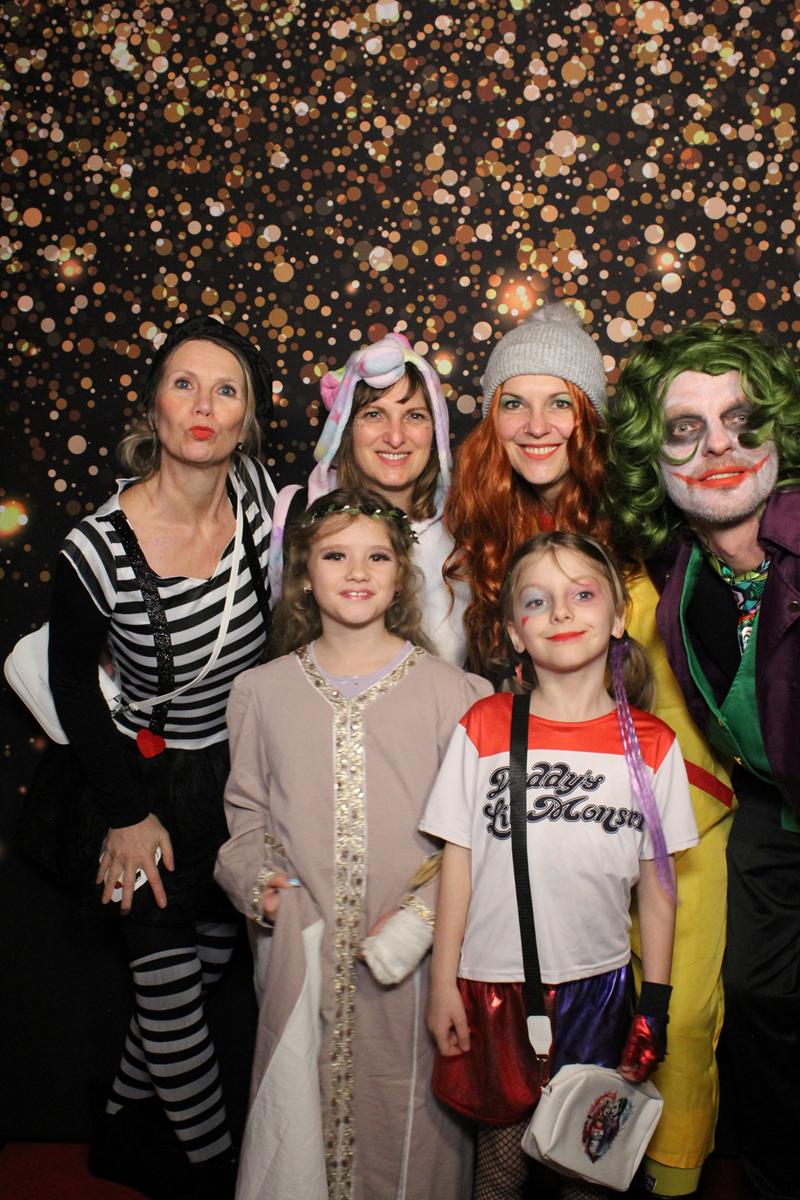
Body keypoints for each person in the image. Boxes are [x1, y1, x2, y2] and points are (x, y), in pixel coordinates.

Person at [445, 303, 733, 1198]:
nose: (537, 425)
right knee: (533, 1052)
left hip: (670, 796)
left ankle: (671, 1181)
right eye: (514, 402)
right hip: (544, 809)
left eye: (560, 402)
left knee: (676, 1022)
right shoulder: (476, 531)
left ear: (592, 417)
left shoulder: (649, 515)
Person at [46, 315, 277, 1200]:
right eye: (185, 383)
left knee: (207, 970)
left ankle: (116, 1128)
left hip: (239, 781)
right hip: (142, 781)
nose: (204, 405)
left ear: (247, 417)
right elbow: (72, 689)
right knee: (173, 998)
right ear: (153, 406)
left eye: (226, 389)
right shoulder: (95, 547)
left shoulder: (261, 502)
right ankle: (218, 1174)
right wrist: (126, 815)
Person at [215, 487, 492, 1200]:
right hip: (300, 958)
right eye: (336, 555)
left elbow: (477, 835)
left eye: (378, 557)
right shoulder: (260, 692)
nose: (358, 572)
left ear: (401, 576)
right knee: (299, 1125)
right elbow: (245, 818)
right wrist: (261, 887)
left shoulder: (455, 695)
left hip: (413, 963)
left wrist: (421, 921)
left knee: (412, 1124)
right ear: (305, 574)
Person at [422, 532, 699, 1200]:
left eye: (582, 594)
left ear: (618, 618)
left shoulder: (653, 746)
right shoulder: (484, 726)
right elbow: (458, 860)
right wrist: (442, 984)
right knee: (500, 1168)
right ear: (516, 633)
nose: (561, 612)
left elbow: (659, 891)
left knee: (587, 1168)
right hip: (495, 986)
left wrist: (654, 1008)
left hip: (599, 988)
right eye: (537, 601)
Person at [606, 321, 800, 1200]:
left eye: (741, 420)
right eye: (686, 428)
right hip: (769, 812)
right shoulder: (678, 576)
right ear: (652, 456)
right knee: (756, 995)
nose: (719, 446)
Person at [269, 330, 470, 664]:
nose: (395, 436)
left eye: (415, 416)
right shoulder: (298, 516)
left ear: (435, 429)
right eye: (374, 414)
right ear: (346, 427)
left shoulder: (468, 526)